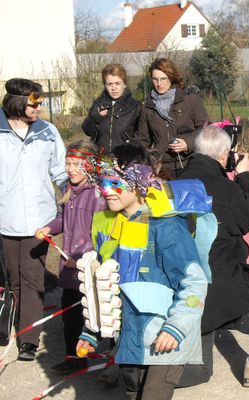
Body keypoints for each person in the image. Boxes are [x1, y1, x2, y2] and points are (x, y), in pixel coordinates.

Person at [76, 143, 209, 400]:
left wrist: (176, 327)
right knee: (133, 391)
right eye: (103, 182)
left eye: (115, 184)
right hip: (129, 339)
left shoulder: (166, 228)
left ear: (139, 182)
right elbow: (106, 285)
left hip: (165, 337)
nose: (106, 191)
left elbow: (194, 283)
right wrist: (91, 330)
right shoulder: (112, 227)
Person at [177, 126, 249, 388]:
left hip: (179, 284)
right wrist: (245, 175)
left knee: (201, 369)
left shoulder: (174, 184)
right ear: (224, 156)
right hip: (215, 284)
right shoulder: (225, 189)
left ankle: (144, 374)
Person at [0, 78, 67, 361]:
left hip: (40, 219)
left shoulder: (47, 131)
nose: (40, 107)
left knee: (32, 278)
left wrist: (72, 197)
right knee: (11, 278)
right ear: (17, 102)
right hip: (5, 216)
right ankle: (9, 326)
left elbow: (61, 172)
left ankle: (28, 338)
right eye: (34, 102)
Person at [34, 140, 107, 374]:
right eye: (68, 163)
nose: (71, 169)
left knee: (98, 314)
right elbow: (61, 219)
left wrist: (94, 259)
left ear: (90, 165)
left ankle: (112, 361)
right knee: (72, 315)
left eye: (77, 164)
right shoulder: (69, 189)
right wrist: (49, 228)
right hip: (70, 266)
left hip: (89, 267)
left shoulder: (98, 194)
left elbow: (103, 234)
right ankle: (74, 358)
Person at [137, 58, 208, 178]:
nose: (159, 84)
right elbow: (143, 141)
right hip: (162, 169)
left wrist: (188, 142)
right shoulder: (147, 107)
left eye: (163, 79)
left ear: (171, 77)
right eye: (155, 79)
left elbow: (207, 130)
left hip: (191, 164)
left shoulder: (190, 99)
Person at [82, 63, 141, 154]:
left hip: (124, 160)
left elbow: (141, 138)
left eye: (117, 83)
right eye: (109, 84)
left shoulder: (135, 106)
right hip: (100, 159)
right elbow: (87, 130)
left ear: (124, 84)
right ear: (105, 85)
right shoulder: (98, 104)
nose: (113, 88)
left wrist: (129, 156)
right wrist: (96, 117)